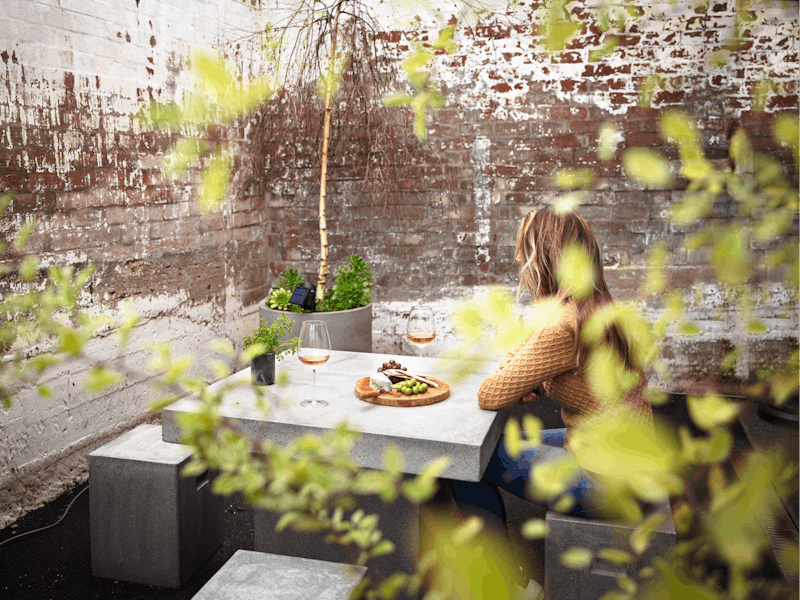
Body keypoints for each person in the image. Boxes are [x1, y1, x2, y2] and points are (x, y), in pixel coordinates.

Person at [448, 206, 654, 596]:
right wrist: (532, 378)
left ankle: (509, 586)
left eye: (523, 250)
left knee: (467, 459)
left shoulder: (563, 323)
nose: (517, 260)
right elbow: (530, 364)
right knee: (501, 443)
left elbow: (492, 392)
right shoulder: (596, 306)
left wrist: (525, 377)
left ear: (543, 257)